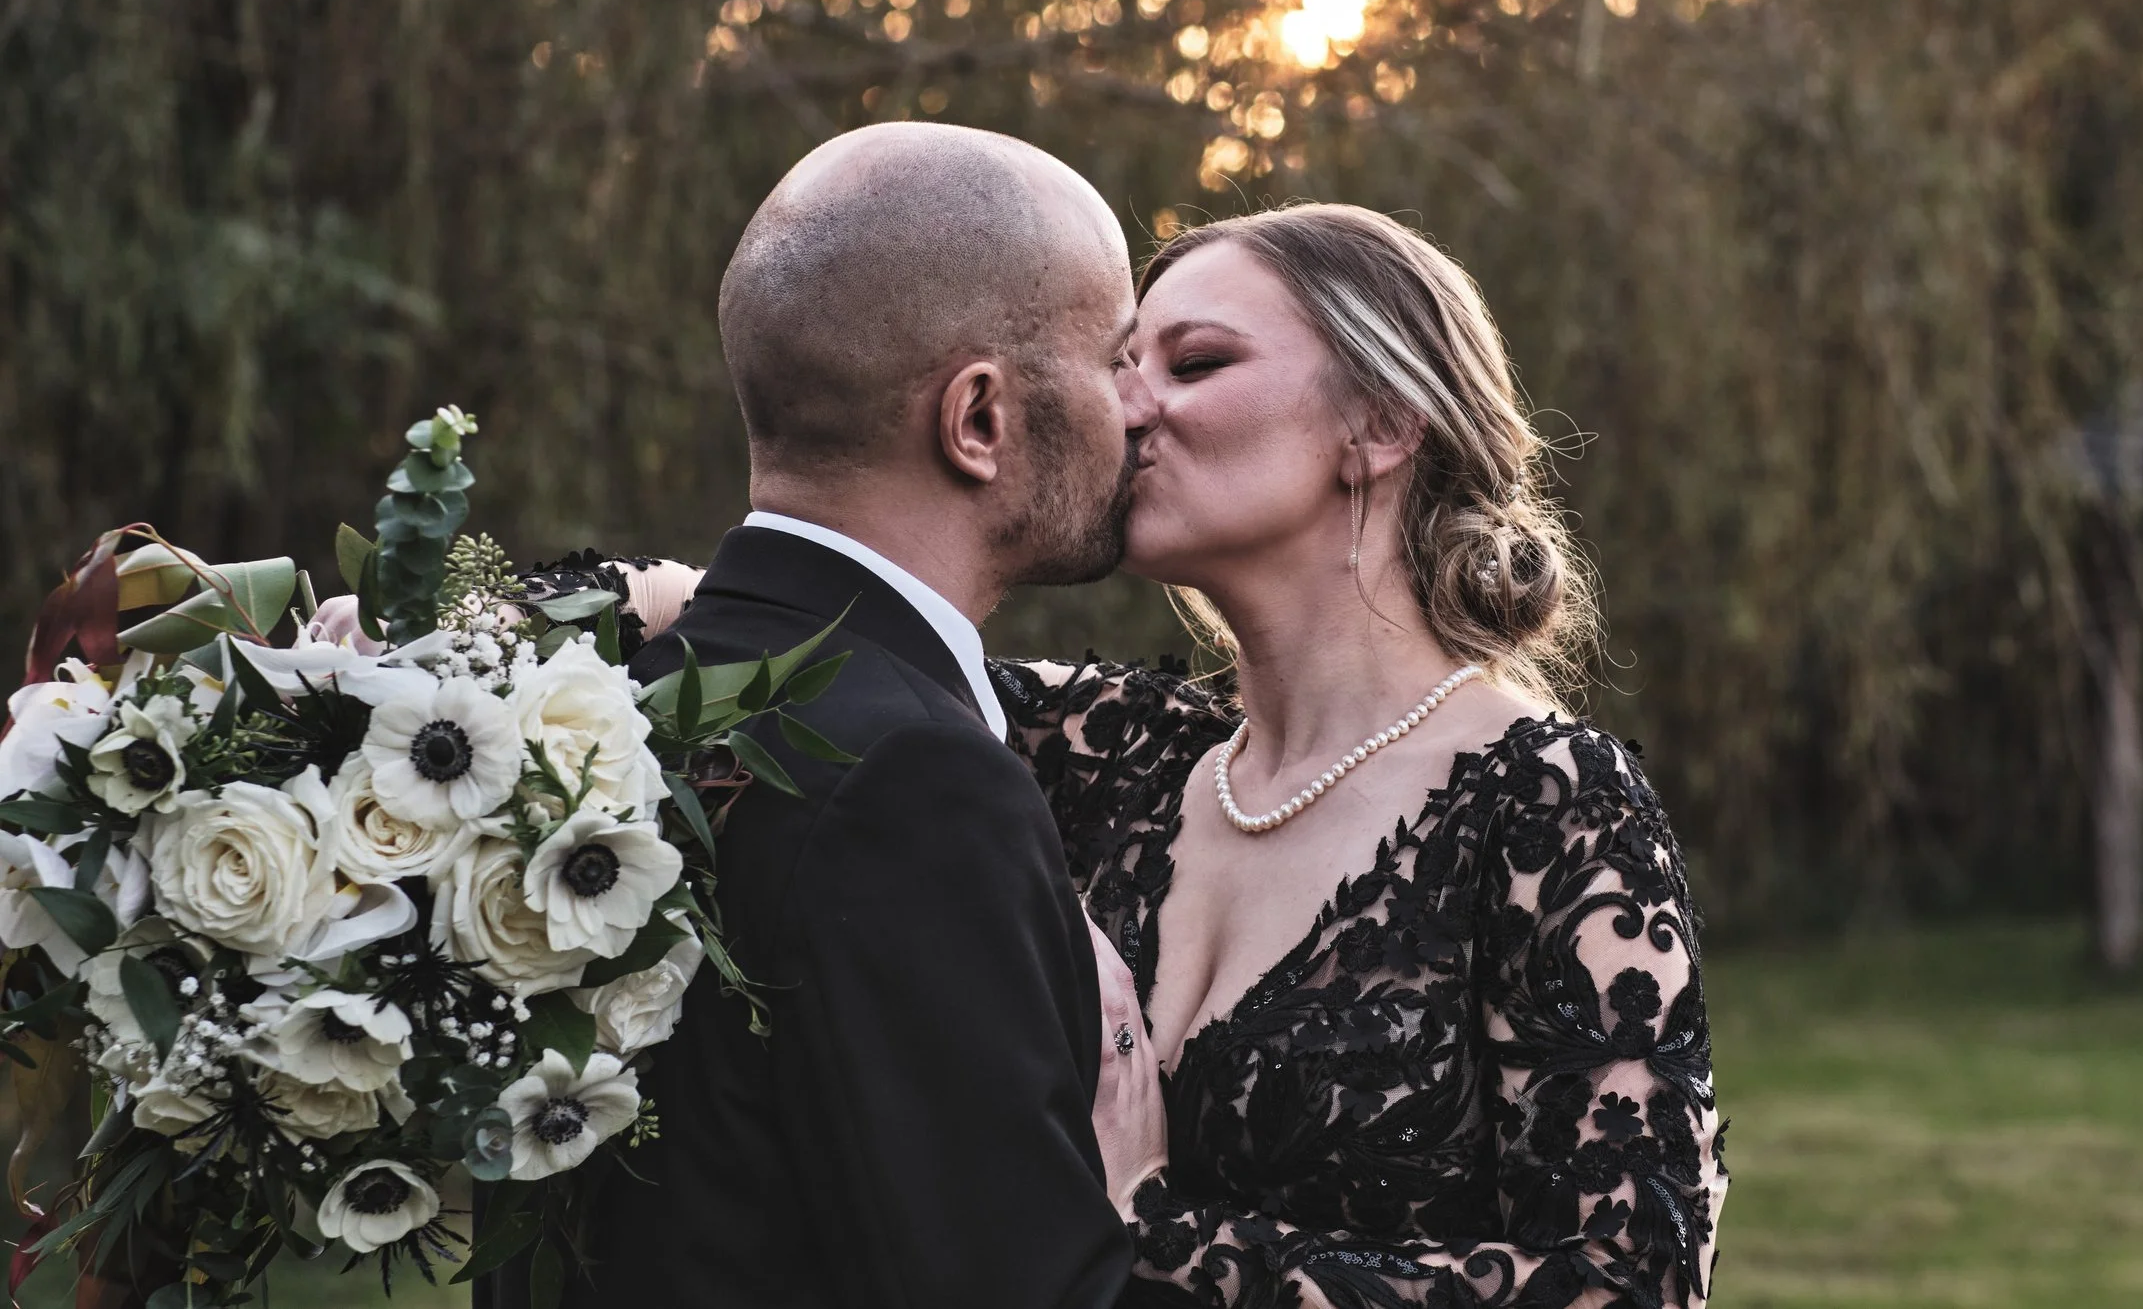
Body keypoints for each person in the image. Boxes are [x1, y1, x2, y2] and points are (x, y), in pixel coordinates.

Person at [489, 122, 1177, 1307]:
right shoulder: (916, 780)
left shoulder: (610, 712)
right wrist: (1128, 1187)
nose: (1139, 404)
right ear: (979, 420)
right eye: (1114, 357)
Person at [993, 205, 1730, 1307]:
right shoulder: (1107, 752)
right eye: (1118, 367)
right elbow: (780, 632)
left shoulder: (1547, 805)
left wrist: (1151, 1223)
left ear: (1381, 424)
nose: (1124, 406)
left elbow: (1630, 1283)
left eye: (1193, 361)